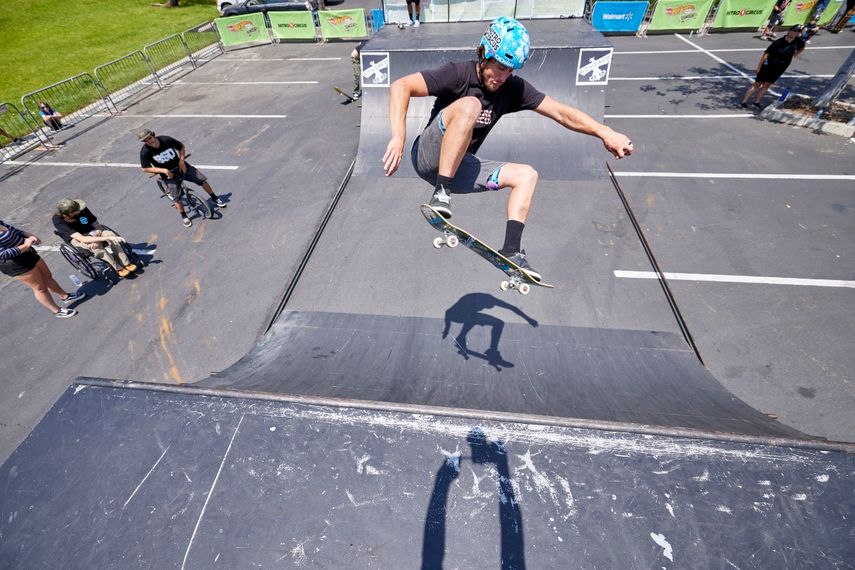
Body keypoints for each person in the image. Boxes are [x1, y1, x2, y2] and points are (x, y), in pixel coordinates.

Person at [382, 17, 633, 279]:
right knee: (471, 105)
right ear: (484, 55)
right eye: (500, 68)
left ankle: (511, 251)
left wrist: (605, 132)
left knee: (527, 175)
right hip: (426, 154)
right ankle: (441, 191)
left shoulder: (513, 88)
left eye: (510, 71)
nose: (503, 77)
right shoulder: (458, 74)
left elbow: (561, 113)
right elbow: (401, 86)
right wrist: (398, 136)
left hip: (459, 166)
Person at [138, 129, 227, 228]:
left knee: (202, 180)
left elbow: (181, 147)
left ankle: (215, 198)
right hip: (169, 176)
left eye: (149, 138)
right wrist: (164, 171)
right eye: (145, 141)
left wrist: (181, 160)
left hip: (183, 168)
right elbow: (145, 168)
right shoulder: (145, 152)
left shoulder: (165, 139)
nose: (149, 141)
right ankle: (184, 216)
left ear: (153, 135)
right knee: (177, 198)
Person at [0, 218, 85, 318]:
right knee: (40, 288)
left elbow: (14, 231)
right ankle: (57, 311)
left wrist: (29, 235)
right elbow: (3, 254)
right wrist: (26, 244)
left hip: (28, 252)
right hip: (16, 263)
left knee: (47, 276)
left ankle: (65, 296)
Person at [52, 199, 138, 279]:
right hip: (77, 238)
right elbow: (82, 239)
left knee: (110, 234)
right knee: (96, 247)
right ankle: (117, 268)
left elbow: (96, 224)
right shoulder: (58, 220)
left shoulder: (82, 208)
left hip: (93, 232)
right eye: (78, 209)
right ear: (70, 214)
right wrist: (98, 240)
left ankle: (125, 262)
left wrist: (96, 237)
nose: (81, 209)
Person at [741, 25, 806, 109]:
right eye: (794, 30)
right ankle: (744, 102)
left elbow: (803, 47)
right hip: (768, 66)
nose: (795, 33)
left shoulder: (798, 42)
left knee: (767, 85)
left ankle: (756, 102)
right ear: (789, 31)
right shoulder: (779, 42)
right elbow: (766, 54)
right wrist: (759, 67)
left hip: (780, 68)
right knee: (757, 84)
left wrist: (796, 54)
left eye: (798, 31)